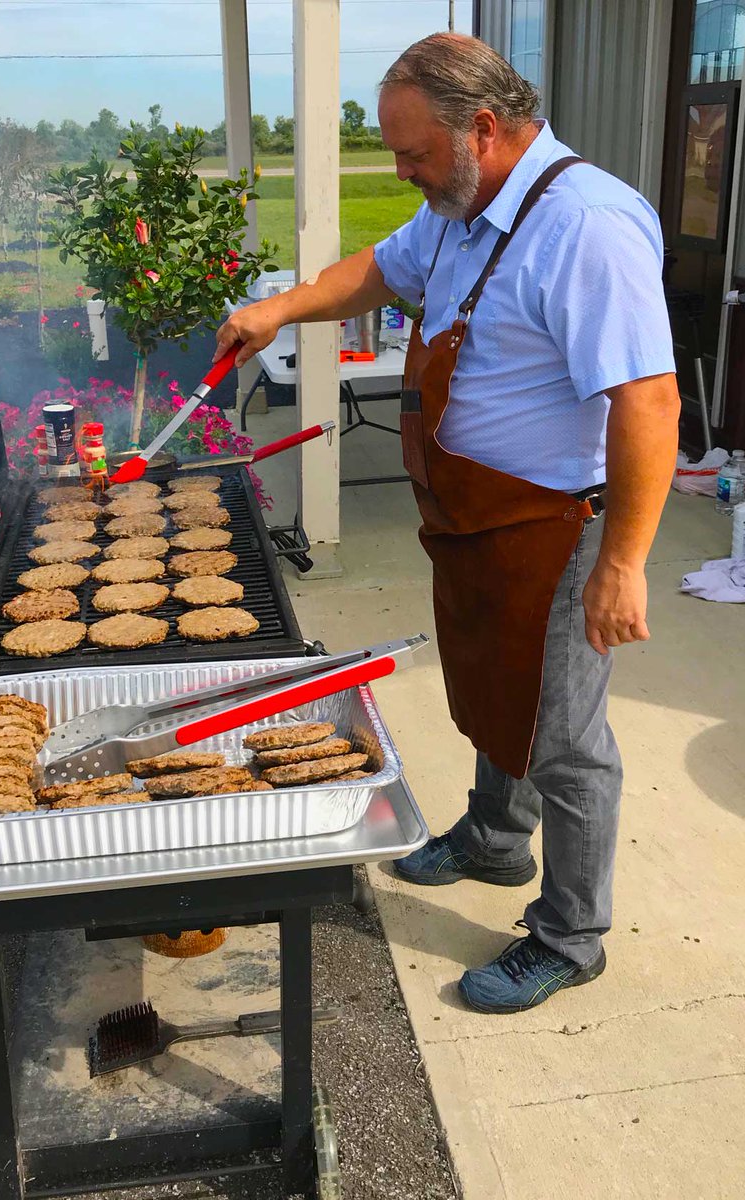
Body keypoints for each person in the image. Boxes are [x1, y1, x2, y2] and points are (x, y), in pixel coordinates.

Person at [215, 33, 680, 1013]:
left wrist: (624, 562)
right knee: (490, 682)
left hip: (556, 525)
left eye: (413, 153)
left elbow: (648, 401)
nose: (402, 172)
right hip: (476, 517)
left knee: (564, 736)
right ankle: (496, 840)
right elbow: (378, 273)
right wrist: (281, 309)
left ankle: (571, 935)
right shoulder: (458, 211)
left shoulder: (587, 226)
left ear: (484, 128)